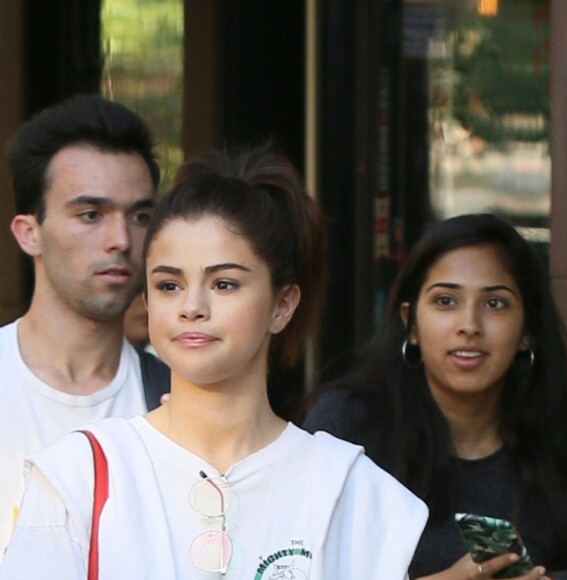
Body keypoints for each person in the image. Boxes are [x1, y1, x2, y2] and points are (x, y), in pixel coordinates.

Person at [0, 144, 428, 579]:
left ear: (282, 304)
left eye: (224, 284)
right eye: (169, 285)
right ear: (146, 299)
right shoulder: (79, 476)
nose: (192, 306)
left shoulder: (351, 491)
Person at [303, 214, 567, 579]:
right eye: (446, 301)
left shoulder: (566, 442)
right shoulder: (348, 428)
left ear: (527, 330)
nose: (469, 325)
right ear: (411, 323)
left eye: (495, 303)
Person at [0, 94, 169, 561]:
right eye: (91, 215)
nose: (120, 241)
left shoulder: (177, 402)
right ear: (28, 232)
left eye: (139, 217)